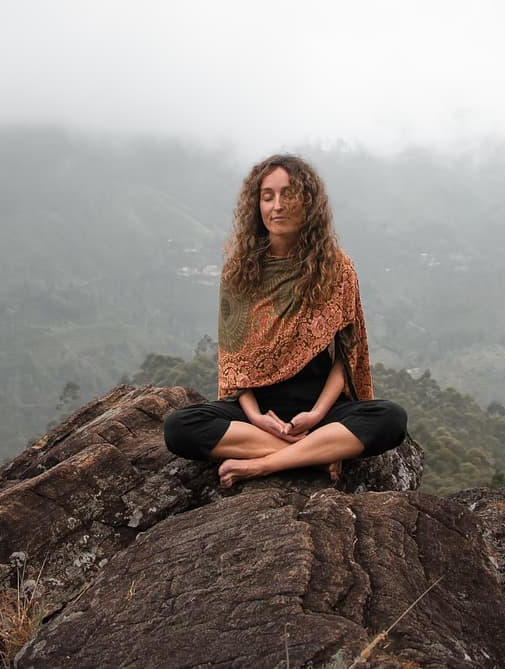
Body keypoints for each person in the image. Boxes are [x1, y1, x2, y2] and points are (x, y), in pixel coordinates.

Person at [163, 154, 408, 488]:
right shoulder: (239, 271)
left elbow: (347, 356)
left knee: (391, 419)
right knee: (179, 427)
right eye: (267, 196)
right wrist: (256, 417)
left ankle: (265, 464)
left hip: (319, 411)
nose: (277, 205)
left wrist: (318, 414)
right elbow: (235, 364)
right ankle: (315, 457)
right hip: (259, 413)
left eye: (288, 194)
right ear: (257, 205)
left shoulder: (337, 269)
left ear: (308, 202)